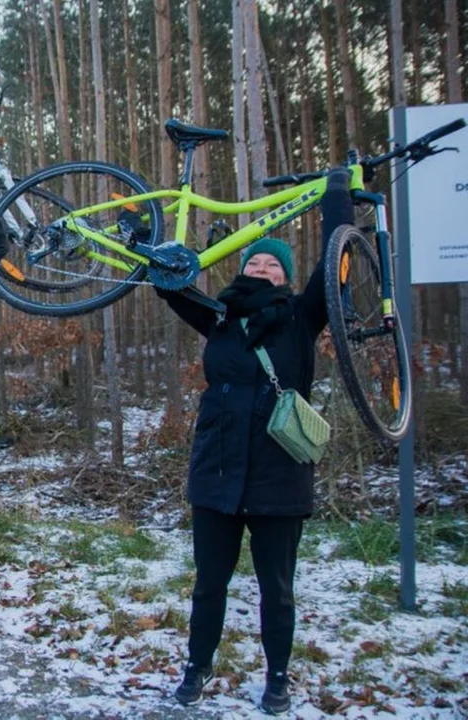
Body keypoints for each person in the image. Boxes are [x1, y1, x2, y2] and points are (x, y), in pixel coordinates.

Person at [160, 170, 353, 715]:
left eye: (273, 264)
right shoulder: (220, 316)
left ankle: (278, 677)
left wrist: (337, 195)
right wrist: (141, 237)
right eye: (255, 261)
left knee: (277, 587)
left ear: (285, 278)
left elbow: (335, 266)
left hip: (279, 473)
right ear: (240, 268)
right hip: (216, 469)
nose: (262, 267)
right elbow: (166, 281)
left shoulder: (301, 316)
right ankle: (197, 668)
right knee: (209, 584)